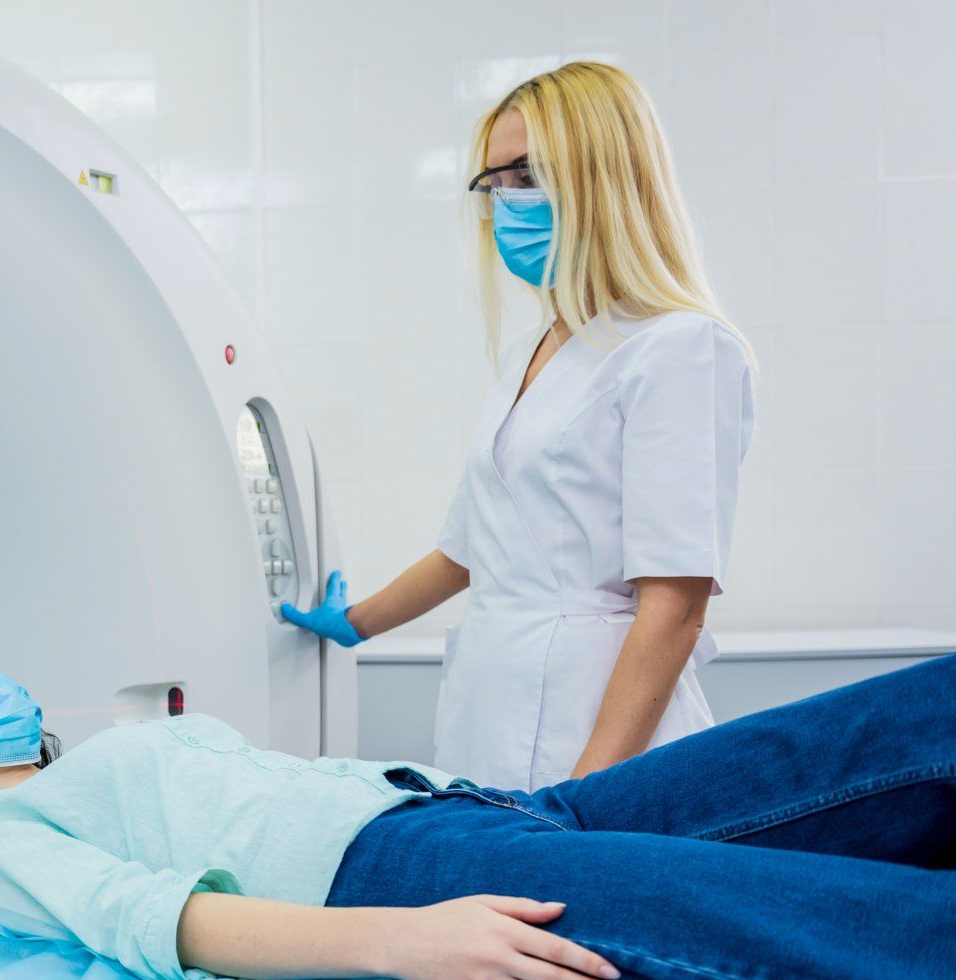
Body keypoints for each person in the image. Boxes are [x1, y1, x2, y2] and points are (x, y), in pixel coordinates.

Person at [0, 639, 956, 980]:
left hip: (490, 809)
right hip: (398, 872)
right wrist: (408, 938)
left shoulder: (112, 755)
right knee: (844, 923)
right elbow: (152, 920)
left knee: (904, 723)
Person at [283, 62, 755, 791]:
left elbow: (675, 603)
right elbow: (469, 548)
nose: (508, 200)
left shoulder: (679, 347)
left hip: (602, 732)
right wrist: (350, 623)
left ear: (606, 177)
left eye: (528, 173)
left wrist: (584, 793)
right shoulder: (535, 349)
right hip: (490, 701)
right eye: (495, 182)